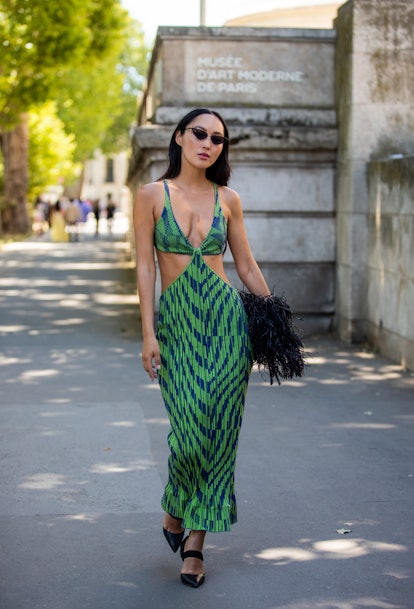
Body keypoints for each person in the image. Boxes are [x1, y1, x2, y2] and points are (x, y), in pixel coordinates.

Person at [133, 108, 270, 588]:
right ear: (179, 136)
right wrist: (148, 333)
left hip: (227, 326)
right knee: (190, 432)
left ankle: (196, 540)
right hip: (177, 327)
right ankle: (175, 505)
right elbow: (146, 268)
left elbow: (246, 266)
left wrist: (275, 319)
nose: (208, 143)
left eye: (217, 138)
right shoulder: (151, 195)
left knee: (220, 434)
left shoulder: (228, 198)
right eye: (199, 133)